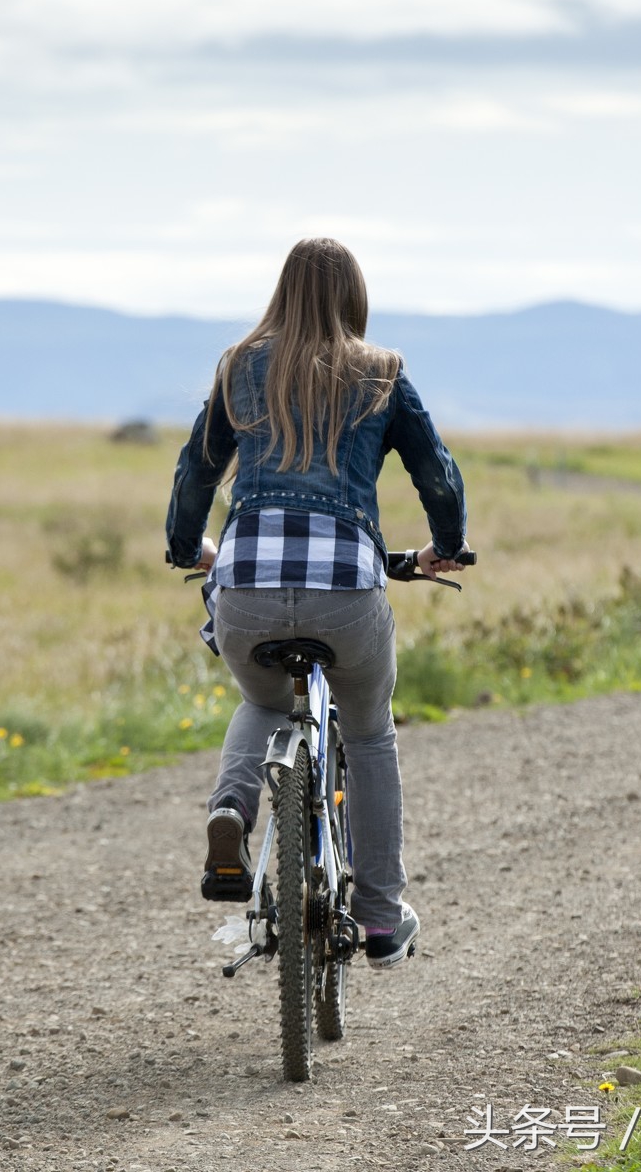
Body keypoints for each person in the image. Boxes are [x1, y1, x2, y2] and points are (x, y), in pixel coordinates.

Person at [165, 237, 469, 970]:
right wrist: (445, 547)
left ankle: (232, 810)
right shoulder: (382, 373)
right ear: (354, 298)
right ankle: (376, 915)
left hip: (245, 585)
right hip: (345, 592)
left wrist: (187, 548)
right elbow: (437, 476)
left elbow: (196, 471)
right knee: (368, 736)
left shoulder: (240, 366)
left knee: (264, 702)